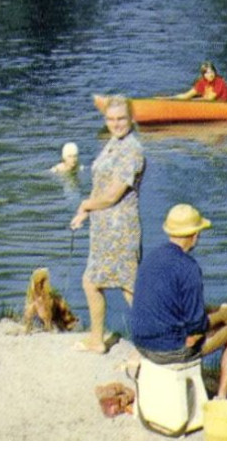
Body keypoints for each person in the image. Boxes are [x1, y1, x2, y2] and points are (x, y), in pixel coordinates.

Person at [128, 204, 227, 403]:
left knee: (211, 321)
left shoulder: (152, 257)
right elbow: (196, 325)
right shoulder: (189, 267)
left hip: (141, 343)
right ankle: (222, 397)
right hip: (167, 351)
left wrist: (215, 310)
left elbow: (175, 304)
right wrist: (225, 316)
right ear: (195, 234)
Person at [71, 94, 146, 353]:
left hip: (120, 227)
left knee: (129, 287)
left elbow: (114, 194)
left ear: (131, 118)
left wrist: (85, 205)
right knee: (93, 282)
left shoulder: (132, 150)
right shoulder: (113, 143)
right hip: (103, 226)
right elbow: (100, 185)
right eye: (111, 119)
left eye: (121, 118)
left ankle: (148, 346)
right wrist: (85, 213)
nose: (116, 124)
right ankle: (97, 339)